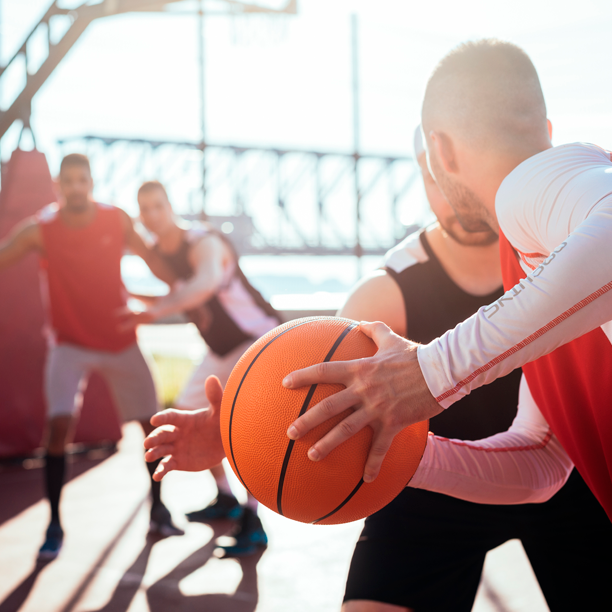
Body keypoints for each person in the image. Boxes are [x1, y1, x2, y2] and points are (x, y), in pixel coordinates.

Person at [279, 39, 612, 520]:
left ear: (441, 149)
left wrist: (430, 372)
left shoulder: (534, 186)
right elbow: (540, 459)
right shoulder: (540, 261)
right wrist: (396, 451)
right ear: (545, 129)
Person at [340, 128, 611, 611]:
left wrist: (431, 370)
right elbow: (538, 455)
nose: (449, 189)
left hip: (578, 484)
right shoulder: (387, 291)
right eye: (432, 175)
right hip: (445, 489)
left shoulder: (567, 222)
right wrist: (240, 436)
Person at [0, 154, 183, 560]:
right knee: (58, 427)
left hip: (120, 339)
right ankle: (54, 525)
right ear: (58, 185)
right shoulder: (40, 230)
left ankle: (158, 508)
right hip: (69, 345)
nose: (76, 187)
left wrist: (197, 287)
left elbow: (157, 264)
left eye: (82, 180)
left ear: (92, 183)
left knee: (150, 426)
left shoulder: (115, 220)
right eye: (68, 181)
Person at [132, 180, 281, 555]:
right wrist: (127, 298)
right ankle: (226, 497)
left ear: (170, 206)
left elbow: (205, 283)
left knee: (243, 429)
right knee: (187, 415)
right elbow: (176, 295)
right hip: (220, 350)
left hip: (256, 340)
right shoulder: (163, 255)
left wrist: (150, 313)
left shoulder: (204, 243)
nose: (152, 215)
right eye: (144, 209)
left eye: (157, 206)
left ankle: (252, 520)